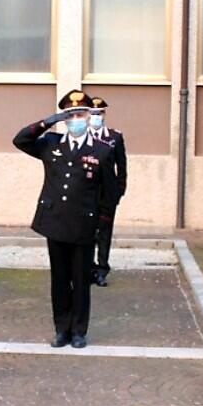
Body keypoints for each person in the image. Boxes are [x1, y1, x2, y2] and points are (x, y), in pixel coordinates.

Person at [13, 90, 116, 349]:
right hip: (55, 222)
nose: (76, 120)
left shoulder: (102, 150)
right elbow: (20, 140)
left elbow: (109, 192)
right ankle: (62, 329)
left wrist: (100, 225)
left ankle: (79, 331)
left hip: (84, 224)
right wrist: (48, 121)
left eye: (81, 114)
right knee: (59, 280)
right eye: (71, 116)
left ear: (89, 116)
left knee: (81, 281)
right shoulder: (51, 143)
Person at [87, 96, 127, 287]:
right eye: (93, 113)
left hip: (107, 195)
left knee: (104, 232)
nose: (96, 116)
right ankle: (88, 268)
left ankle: (102, 269)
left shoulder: (114, 137)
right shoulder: (81, 135)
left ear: (104, 114)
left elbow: (122, 165)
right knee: (85, 231)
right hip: (85, 193)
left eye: (99, 113)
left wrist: (119, 190)